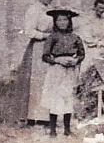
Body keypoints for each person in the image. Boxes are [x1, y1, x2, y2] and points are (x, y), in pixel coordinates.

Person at [13, 0, 58, 125]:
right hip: (38, 48)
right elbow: (29, 31)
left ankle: (46, 116)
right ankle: (33, 116)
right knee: (36, 81)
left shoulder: (51, 10)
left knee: (48, 80)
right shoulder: (33, 10)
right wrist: (45, 36)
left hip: (50, 47)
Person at [41, 8, 85, 138]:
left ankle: (67, 129)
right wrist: (57, 60)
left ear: (69, 21)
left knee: (68, 97)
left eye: (65, 20)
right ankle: (53, 129)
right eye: (59, 20)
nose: (62, 23)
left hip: (70, 71)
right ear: (55, 22)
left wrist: (75, 60)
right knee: (55, 97)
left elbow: (82, 54)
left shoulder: (75, 37)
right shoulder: (52, 37)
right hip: (57, 70)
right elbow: (45, 56)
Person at [79, 0, 104, 72]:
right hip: (91, 49)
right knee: (90, 67)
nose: (101, 10)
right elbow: (87, 38)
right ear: (95, 7)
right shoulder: (87, 20)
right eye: (100, 8)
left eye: (103, 8)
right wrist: (100, 44)